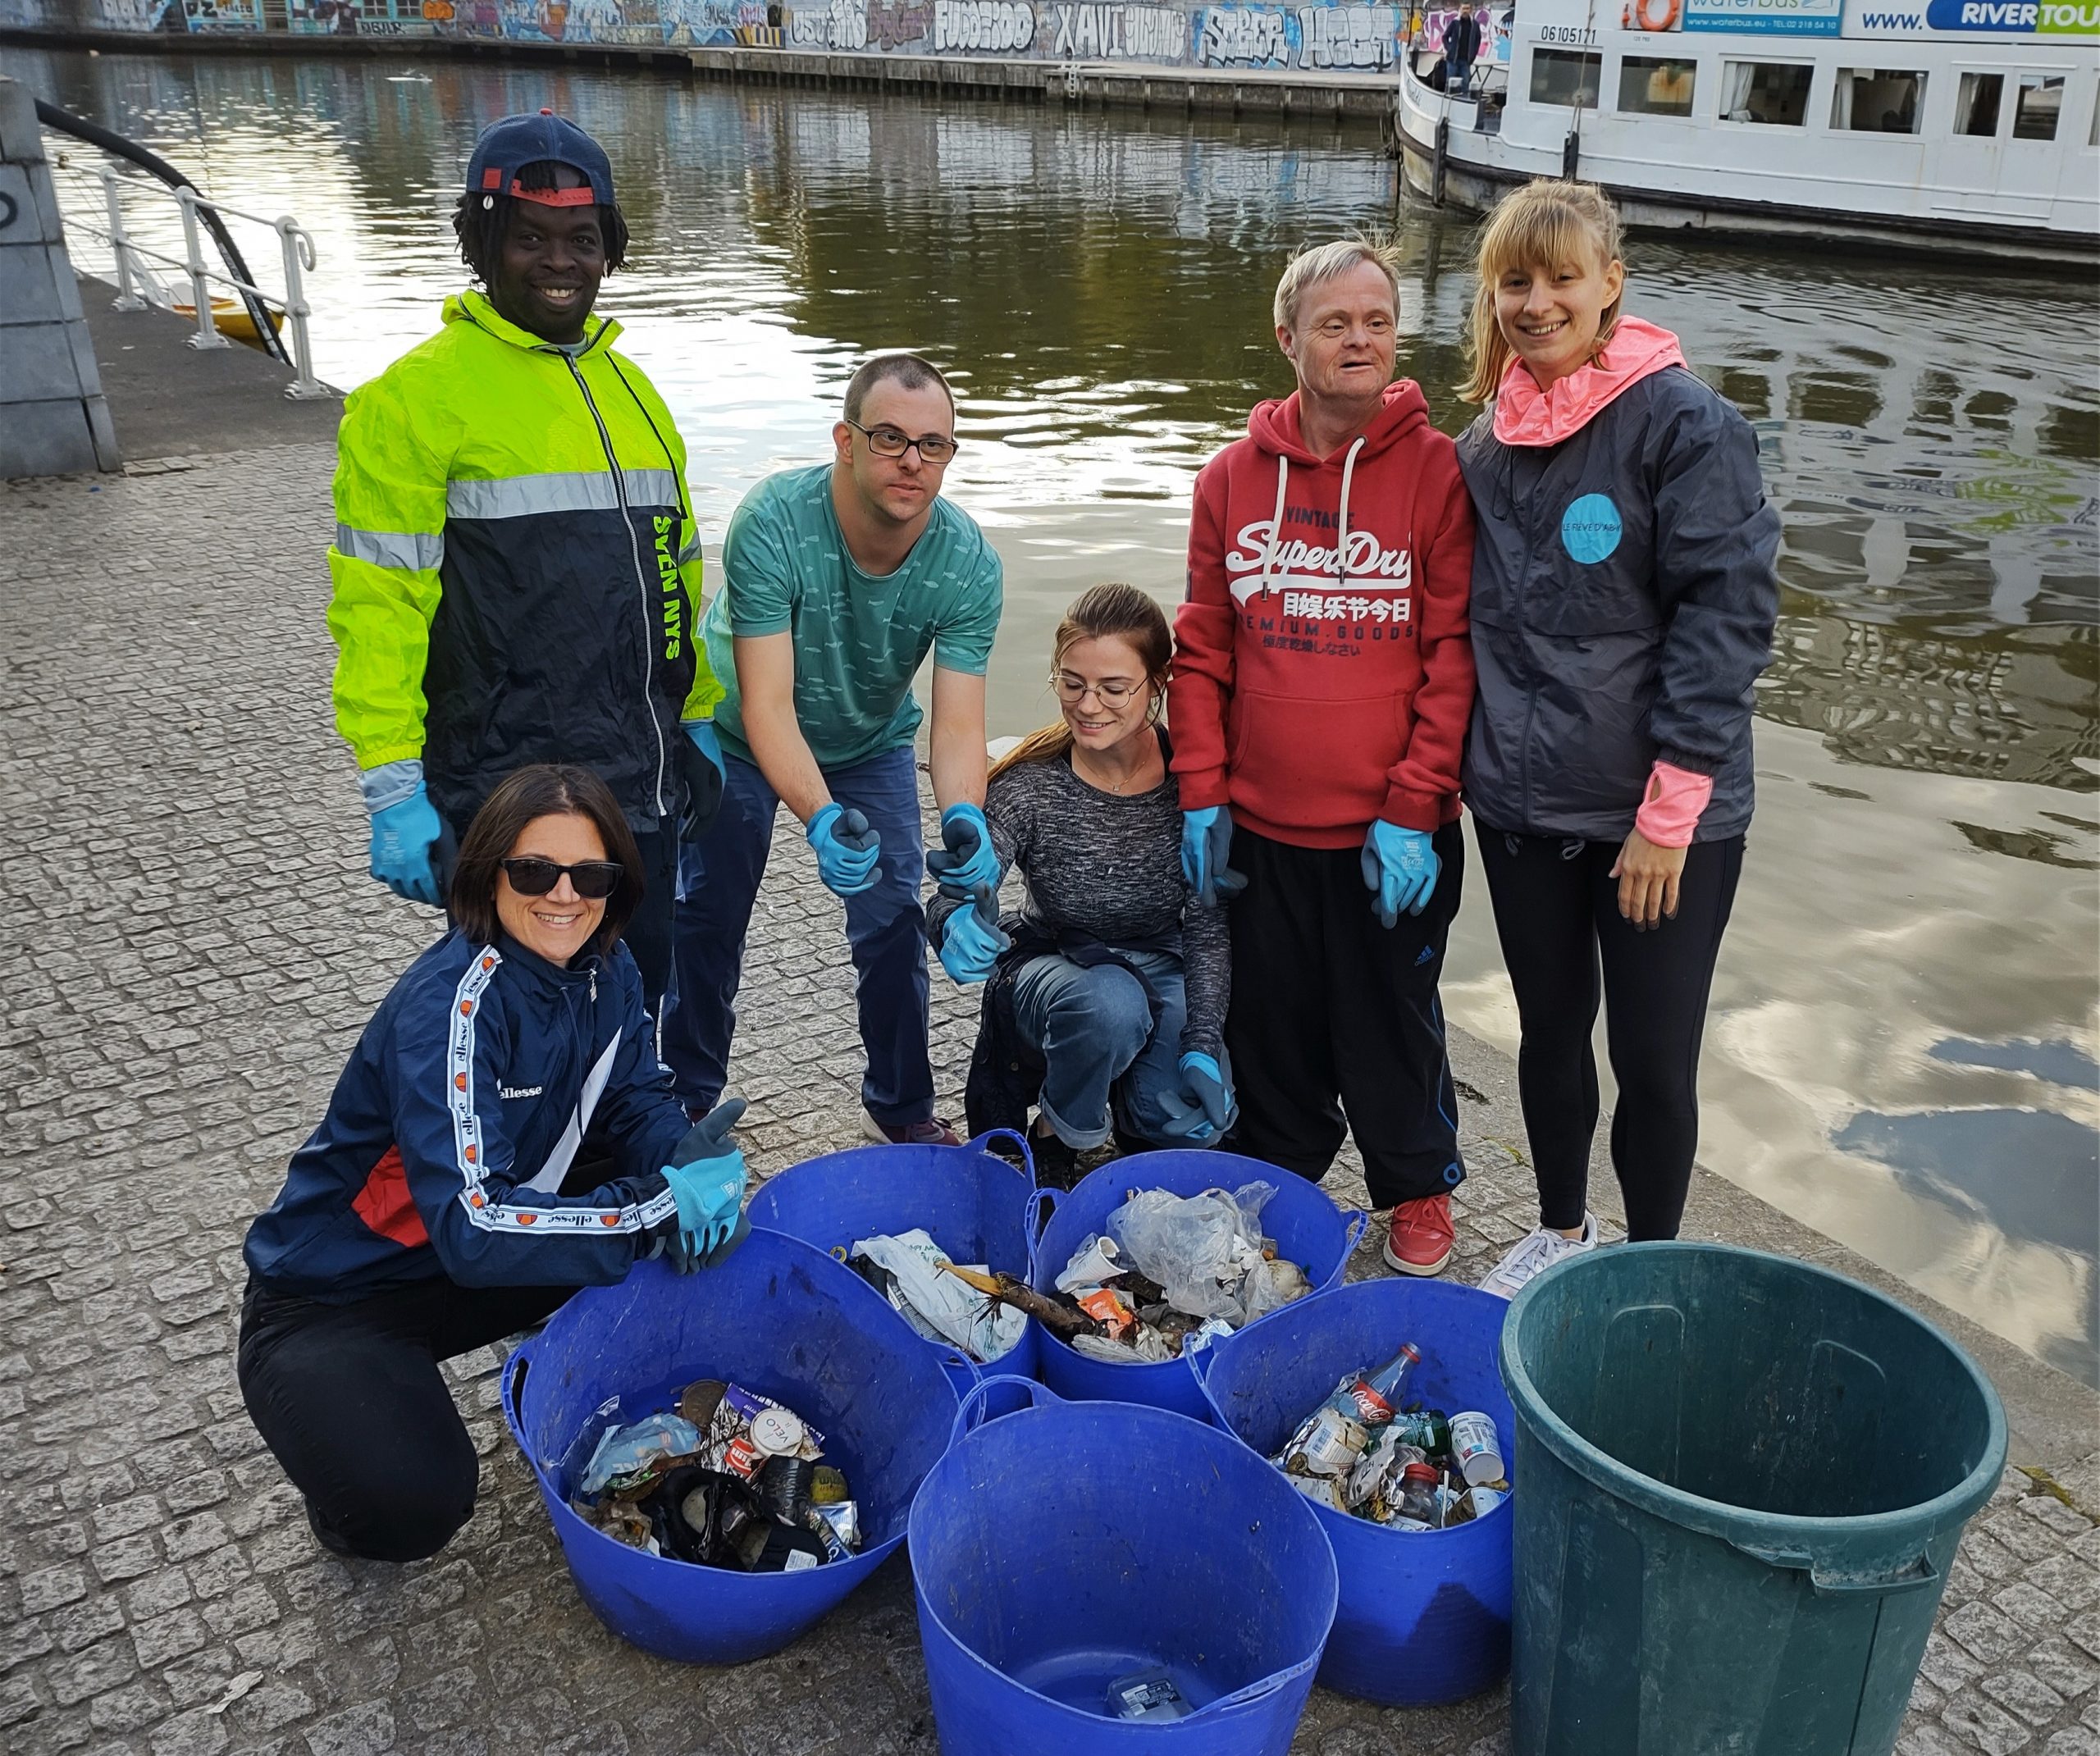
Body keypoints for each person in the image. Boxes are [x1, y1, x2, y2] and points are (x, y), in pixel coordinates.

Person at [237, 765, 750, 1562]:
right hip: (340, 1293)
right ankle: (340, 1466)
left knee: (699, 1240)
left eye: (593, 874)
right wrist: (655, 1205)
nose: (564, 894)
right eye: (534, 870)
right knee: (414, 1501)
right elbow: (476, 1226)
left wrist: (677, 1151)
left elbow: (630, 1096)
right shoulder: (451, 1004)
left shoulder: (607, 966)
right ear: (489, 874)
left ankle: (575, 1344)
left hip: (473, 1250)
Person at [1453, 180, 1779, 1298]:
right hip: (1524, 807)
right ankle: (1558, 1229)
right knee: (1550, 1031)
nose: (1536, 302)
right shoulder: (1482, 448)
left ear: (1609, 286)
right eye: (1514, 281)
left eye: (1559, 279)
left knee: (1650, 1056)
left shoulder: (1685, 425)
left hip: (1662, 821)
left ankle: (1649, 1264)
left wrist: (1667, 816)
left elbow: (1725, 620)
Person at [326, 110, 724, 1008]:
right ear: (481, 243)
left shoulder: (633, 390)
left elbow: (677, 574)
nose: (558, 261)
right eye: (529, 238)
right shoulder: (412, 401)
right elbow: (377, 603)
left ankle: (637, 1143)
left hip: (640, 776)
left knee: (635, 993)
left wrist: (697, 716)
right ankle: (531, 1154)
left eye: (581, 238)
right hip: (506, 788)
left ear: (609, 247)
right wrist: (392, 782)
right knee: (523, 1021)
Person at [1169, 238, 1477, 1278]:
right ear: (1286, 336)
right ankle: (1283, 1172)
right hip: (1261, 824)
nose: (1358, 339)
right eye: (1335, 321)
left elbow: (1452, 652)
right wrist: (1202, 790)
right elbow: (1203, 646)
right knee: (1275, 1025)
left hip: (1392, 834)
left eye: (1377, 321)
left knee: (1391, 1018)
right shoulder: (1228, 477)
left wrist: (1415, 801)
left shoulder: (1439, 473)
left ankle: (1417, 1184)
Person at [664, 354, 1003, 1144]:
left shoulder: (967, 562)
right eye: (889, 437)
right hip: (738, 731)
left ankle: (902, 1104)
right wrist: (819, 816)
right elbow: (767, 704)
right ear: (845, 441)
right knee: (708, 914)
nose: (912, 460)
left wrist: (965, 819)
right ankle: (683, 1098)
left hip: (871, 735)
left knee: (890, 921)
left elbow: (954, 728)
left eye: (934, 444)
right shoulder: (774, 520)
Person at [932, 585, 1233, 1188]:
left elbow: (1208, 923)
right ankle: (1056, 1132)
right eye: (1072, 683)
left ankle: (1126, 1095)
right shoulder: (1030, 784)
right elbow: (961, 884)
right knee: (1110, 1006)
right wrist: (955, 918)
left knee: (1182, 1122)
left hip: (1162, 959)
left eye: (1114, 688)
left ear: (1159, 683)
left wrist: (1202, 1040)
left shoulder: (1193, 786)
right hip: (1056, 964)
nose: (1088, 704)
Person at [1442, 1, 1483, 94]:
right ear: (1460, 10)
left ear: (1471, 10)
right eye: (1463, 8)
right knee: (1451, 85)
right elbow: (1445, 37)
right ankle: (1448, 103)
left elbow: (1478, 40)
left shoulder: (1475, 25)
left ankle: (1464, 104)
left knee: (1465, 85)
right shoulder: (1455, 23)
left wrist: (1474, 54)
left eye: (1467, 9)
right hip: (1453, 60)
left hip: (1466, 61)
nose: (1465, 11)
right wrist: (1449, 49)